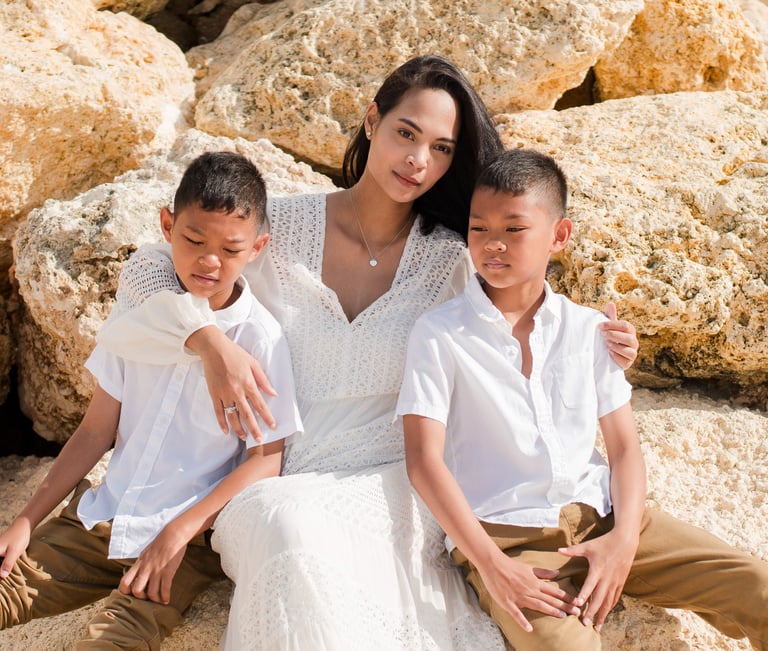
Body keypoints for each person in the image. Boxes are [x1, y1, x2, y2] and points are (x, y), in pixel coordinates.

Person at [96, 56, 640, 649]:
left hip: (394, 478)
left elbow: (521, 304)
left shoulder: (453, 259)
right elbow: (150, 268)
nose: (417, 161)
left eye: (441, 148)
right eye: (406, 133)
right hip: (280, 469)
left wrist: (601, 336)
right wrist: (209, 342)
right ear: (371, 121)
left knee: (296, 529)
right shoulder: (282, 225)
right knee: (283, 524)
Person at [398, 148, 768, 651]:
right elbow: (423, 461)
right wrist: (493, 567)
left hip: (608, 518)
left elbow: (624, 450)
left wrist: (624, 542)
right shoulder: (439, 334)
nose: (492, 245)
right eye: (479, 228)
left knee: (758, 585)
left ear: (559, 236)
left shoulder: (590, 329)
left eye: (514, 229)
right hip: (512, 540)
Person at [0, 152, 303, 649]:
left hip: (183, 543)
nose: (209, 261)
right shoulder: (142, 314)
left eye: (230, 249)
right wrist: (25, 522)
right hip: (101, 518)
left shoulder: (259, 338)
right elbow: (95, 430)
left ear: (257, 248)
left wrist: (181, 530)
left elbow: (266, 459)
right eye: (194, 240)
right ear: (167, 225)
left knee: (113, 640)